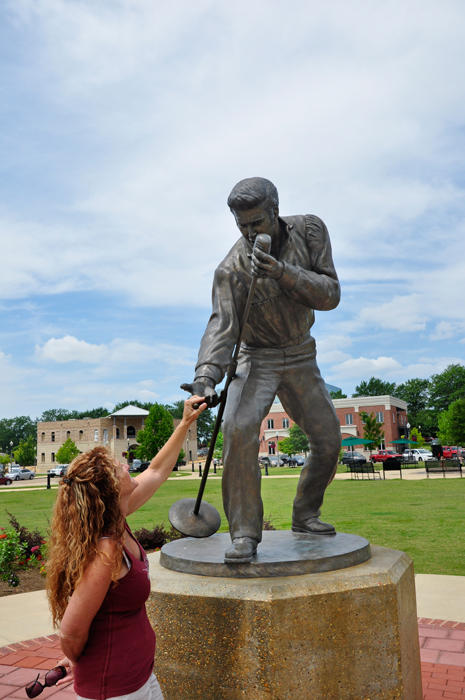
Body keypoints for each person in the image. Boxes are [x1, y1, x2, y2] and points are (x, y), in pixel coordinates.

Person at [182, 177, 342, 563]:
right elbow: (222, 326)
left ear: (275, 212)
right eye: (242, 226)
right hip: (257, 357)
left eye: (257, 223)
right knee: (237, 431)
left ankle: (305, 515)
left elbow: (330, 295)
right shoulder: (231, 270)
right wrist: (205, 377)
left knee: (329, 441)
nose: (251, 233)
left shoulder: (310, 230)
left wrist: (282, 272)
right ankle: (245, 534)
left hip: (302, 353)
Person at [46, 396, 206, 700]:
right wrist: (82, 658)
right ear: (111, 489)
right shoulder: (106, 553)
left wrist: (185, 422)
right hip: (113, 688)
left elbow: (157, 471)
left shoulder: (118, 518)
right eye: (116, 466)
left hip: (140, 678)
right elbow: (71, 632)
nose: (123, 463)